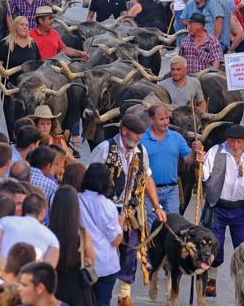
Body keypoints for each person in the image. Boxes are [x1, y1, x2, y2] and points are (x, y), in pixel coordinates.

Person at [90, 114, 167, 306]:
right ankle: (102, 294)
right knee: (104, 252)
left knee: (130, 252)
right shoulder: (104, 148)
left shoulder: (141, 151)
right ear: (124, 131)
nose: (140, 137)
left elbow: (147, 178)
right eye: (136, 133)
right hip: (106, 209)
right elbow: (90, 178)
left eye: (141, 134)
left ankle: (124, 295)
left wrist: (157, 206)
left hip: (131, 210)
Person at [200, 124, 244, 297]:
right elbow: (202, 175)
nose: (236, 145)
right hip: (218, 208)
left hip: (240, 209)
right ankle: (211, 279)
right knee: (215, 245)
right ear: (227, 140)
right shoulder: (215, 153)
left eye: (240, 142)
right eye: (232, 141)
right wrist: (199, 163)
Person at [140, 103, 202, 224]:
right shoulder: (141, 139)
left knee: (174, 225)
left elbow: (189, 159)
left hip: (172, 190)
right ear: (151, 120)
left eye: (167, 118)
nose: (166, 122)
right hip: (148, 191)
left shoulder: (177, 137)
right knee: (151, 225)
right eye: (161, 119)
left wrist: (195, 151)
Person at [79, 163, 123, 306]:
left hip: (82, 262)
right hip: (105, 264)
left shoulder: (76, 199)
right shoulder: (107, 205)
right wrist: (121, 223)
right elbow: (115, 240)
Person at [0, 16, 41, 138]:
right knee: (13, 124)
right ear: (15, 27)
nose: (26, 27)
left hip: (30, 91)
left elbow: (38, 65)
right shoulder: (5, 44)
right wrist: (3, 72)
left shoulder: (33, 44)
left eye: (27, 25)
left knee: (30, 124)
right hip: (11, 90)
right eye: (22, 25)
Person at [49, 186, 97, 306]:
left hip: (55, 287)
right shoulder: (83, 234)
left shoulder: (48, 232)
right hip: (78, 289)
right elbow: (92, 261)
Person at [0, 192, 60, 266]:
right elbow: (48, 270)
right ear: (43, 213)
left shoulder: (3, 222)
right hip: (31, 276)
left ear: (23, 208)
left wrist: (6, 271)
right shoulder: (52, 239)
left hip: (1, 274)